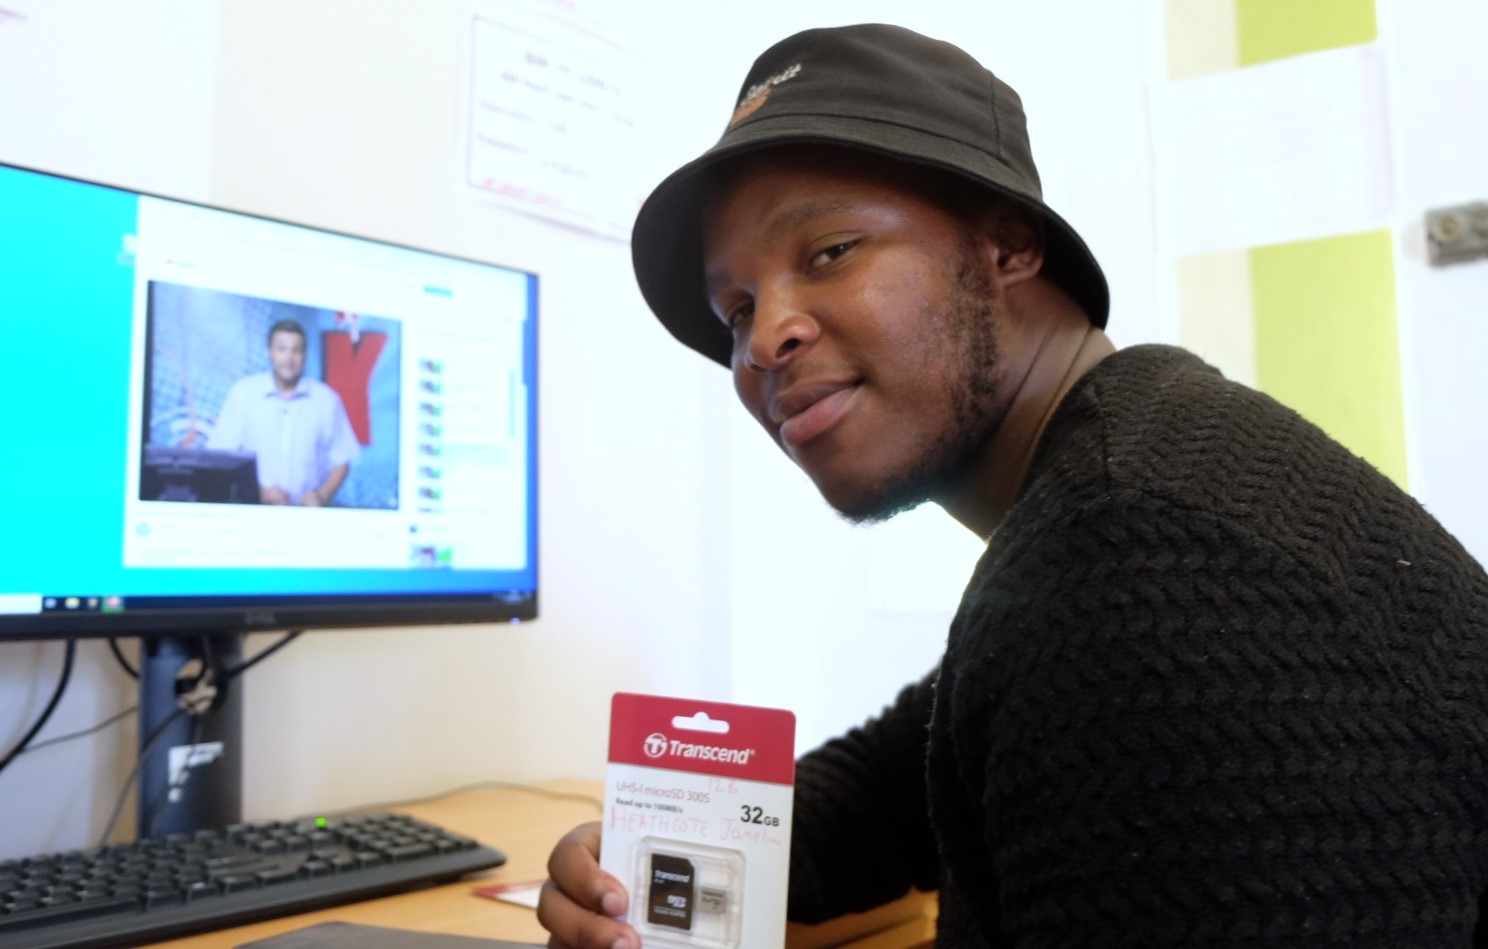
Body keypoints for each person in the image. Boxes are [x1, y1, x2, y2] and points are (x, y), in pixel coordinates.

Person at [539, 23, 1488, 948]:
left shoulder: (1142, 565)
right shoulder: (1117, 484)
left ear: (1009, 245)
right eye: (736, 309)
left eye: (829, 252)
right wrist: (670, 848)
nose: (764, 341)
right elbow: (910, 768)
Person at [210, 318, 360, 506]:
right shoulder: (243, 393)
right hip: (252, 514)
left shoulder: (326, 400)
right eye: (281, 349)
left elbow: (342, 458)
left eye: (296, 350)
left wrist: (322, 495)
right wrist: (257, 493)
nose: (288, 359)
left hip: (307, 521)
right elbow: (219, 458)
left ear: (304, 354)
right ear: (269, 352)